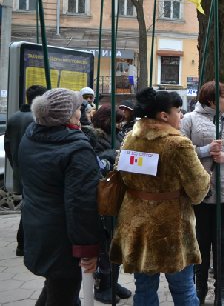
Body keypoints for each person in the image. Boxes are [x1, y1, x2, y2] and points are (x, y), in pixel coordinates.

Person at [109, 87, 210, 305]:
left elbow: (123, 176)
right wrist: (206, 177)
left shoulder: (130, 138)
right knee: (183, 290)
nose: (181, 115)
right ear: (164, 115)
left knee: (144, 290)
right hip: (170, 228)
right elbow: (199, 189)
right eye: (178, 111)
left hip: (135, 223)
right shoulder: (178, 144)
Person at [20, 88, 101, 305]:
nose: (81, 113)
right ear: (66, 115)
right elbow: (81, 205)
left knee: (55, 287)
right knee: (63, 294)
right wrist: (87, 249)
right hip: (64, 239)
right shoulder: (75, 149)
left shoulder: (30, 136)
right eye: (77, 108)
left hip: (38, 228)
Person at [180, 81, 224, 305]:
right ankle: (199, 288)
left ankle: (221, 289)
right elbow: (181, 151)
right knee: (201, 240)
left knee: (221, 240)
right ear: (211, 99)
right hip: (200, 190)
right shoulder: (190, 119)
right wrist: (205, 150)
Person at [90, 105, 131, 303]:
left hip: (117, 193)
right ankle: (102, 285)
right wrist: (114, 156)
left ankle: (113, 281)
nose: (119, 125)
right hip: (104, 195)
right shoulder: (94, 138)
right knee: (104, 244)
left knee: (115, 242)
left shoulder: (117, 134)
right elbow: (97, 163)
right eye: (116, 121)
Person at [4, 84, 47, 257]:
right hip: (35, 172)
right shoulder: (37, 119)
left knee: (27, 207)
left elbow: (8, 147)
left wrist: (15, 165)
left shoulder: (14, 118)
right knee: (35, 208)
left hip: (20, 170)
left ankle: (22, 243)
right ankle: (25, 243)